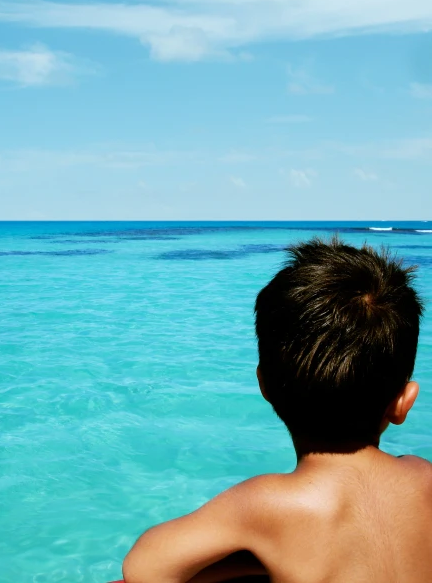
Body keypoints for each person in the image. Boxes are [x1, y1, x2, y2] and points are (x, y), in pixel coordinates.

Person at [119, 237, 432, 583]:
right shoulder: (424, 477)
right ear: (404, 401)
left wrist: (257, 559)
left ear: (264, 386)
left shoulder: (265, 506)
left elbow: (145, 567)